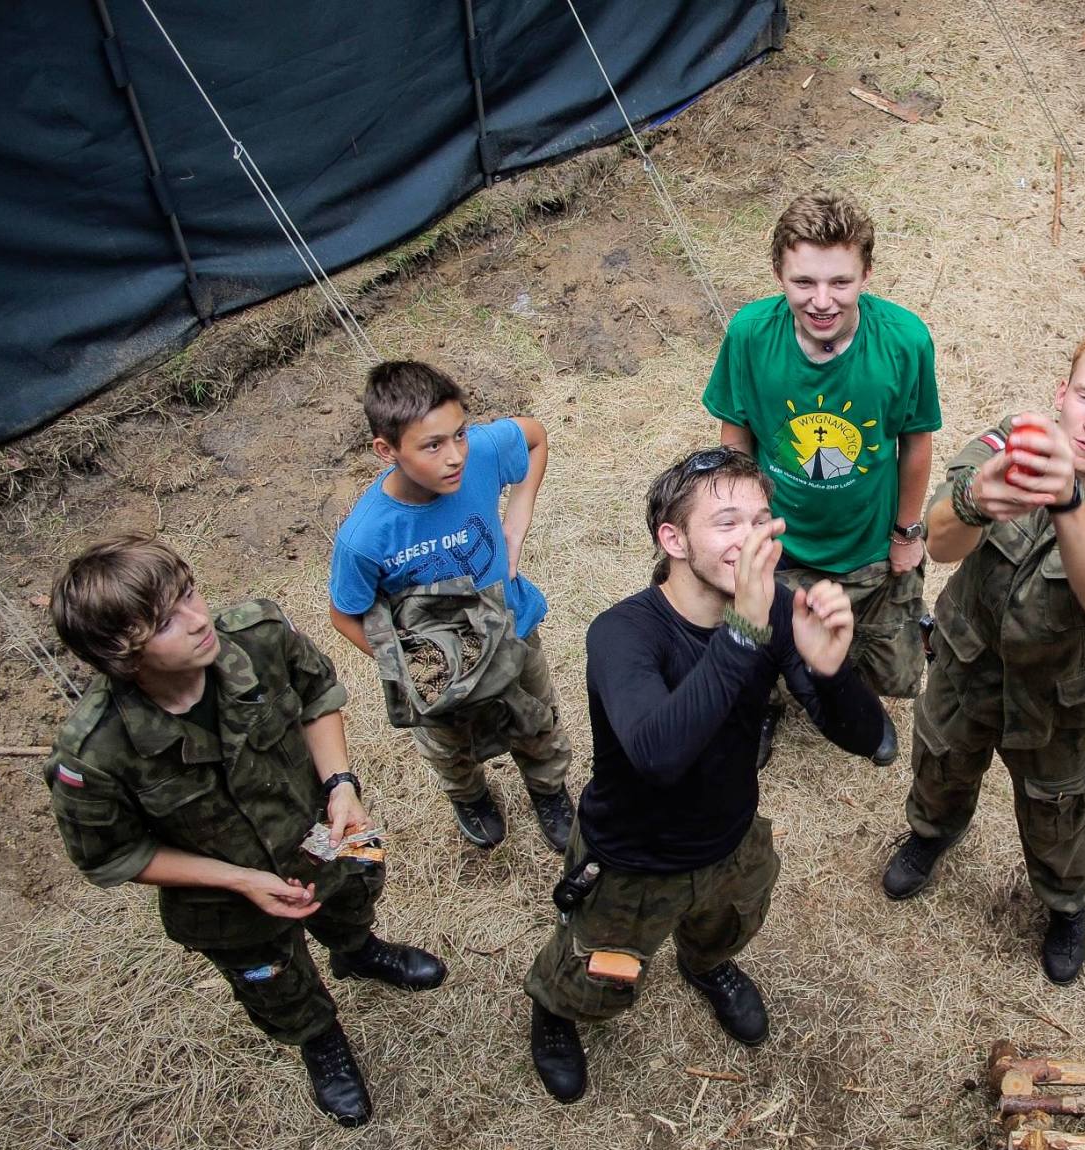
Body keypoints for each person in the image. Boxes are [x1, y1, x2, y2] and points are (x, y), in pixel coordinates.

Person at [43, 534, 447, 1127]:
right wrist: (239, 881)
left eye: (188, 593)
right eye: (165, 622)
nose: (196, 619)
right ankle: (320, 1038)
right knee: (273, 980)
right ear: (121, 654)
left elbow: (317, 695)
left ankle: (358, 953)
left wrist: (340, 784)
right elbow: (112, 856)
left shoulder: (260, 636)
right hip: (225, 900)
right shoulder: (93, 754)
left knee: (353, 897)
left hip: (319, 836)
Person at [523, 448, 884, 1102]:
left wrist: (832, 670)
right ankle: (555, 1010)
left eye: (761, 520)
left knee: (725, 927)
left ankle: (705, 966)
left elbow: (868, 738)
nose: (752, 538)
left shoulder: (771, 607)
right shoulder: (623, 634)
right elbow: (659, 755)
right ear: (674, 540)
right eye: (727, 523)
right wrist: (745, 628)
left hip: (731, 840)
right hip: (633, 860)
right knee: (595, 972)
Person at [879, 331, 1085, 985]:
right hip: (965, 665)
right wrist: (973, 502)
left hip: (1058, 697)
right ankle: (930, 836)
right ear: (1061, 393)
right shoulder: (1008, 444)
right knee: (941, 764)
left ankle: (1065, 904)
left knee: (1056, 810)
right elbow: (940, 545)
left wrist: (1067, 500)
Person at [701, 189, 941, 768]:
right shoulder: (749, 334)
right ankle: (762, 705)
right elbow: (736, 435)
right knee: (751, 633)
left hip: (869, 542)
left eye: (841, 281)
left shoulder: (905, 341)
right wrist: (744, 530)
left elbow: (916, 442)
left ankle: (852, 699)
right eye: (803, 282)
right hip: (781, 540)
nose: (822, 300)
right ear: (778, 274)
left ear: (867, 275)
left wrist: (907, 532)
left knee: (890, 665)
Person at [328, 361, 574, 852]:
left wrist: (518, 517)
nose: (455, 455)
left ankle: (548, 790)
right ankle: (470, 796)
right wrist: (414, 666)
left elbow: (533, 436)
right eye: (432, 445)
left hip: (513, 629)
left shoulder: (480, 454)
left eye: (459, 434)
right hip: (442, 665)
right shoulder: (366, 537)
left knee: (536, 720)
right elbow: (344, 614)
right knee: (449, 745)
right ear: (386, 450)